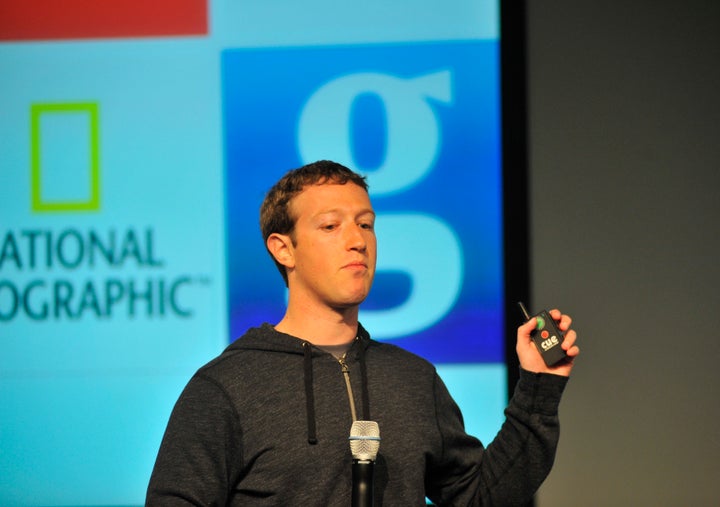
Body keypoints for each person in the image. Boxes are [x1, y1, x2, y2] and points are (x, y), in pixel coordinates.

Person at [146, 160, 580, 506]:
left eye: (366, 224)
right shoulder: (226, 387)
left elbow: (479, 496)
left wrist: (539, 390)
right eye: (331, 226)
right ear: (283, 248)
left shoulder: (413, 379)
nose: (357, 240)